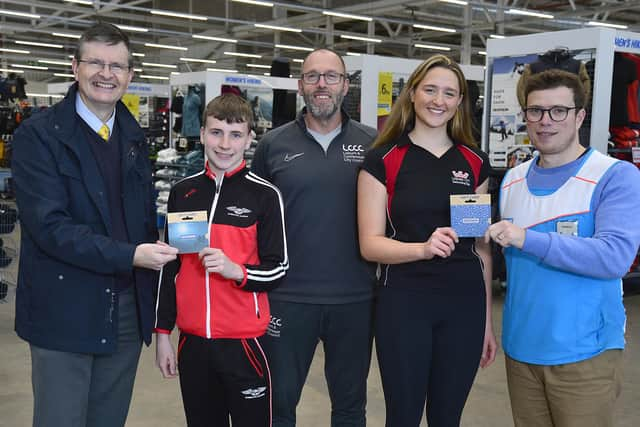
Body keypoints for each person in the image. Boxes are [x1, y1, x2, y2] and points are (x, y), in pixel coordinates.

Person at [11, 23, 178, 427]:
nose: (107, 74)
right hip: (63, 309)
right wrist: (132, 255)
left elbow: (140, 225)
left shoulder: (133, 137)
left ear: (131, 75)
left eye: (117, 66)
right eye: (96, 63)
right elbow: (50, 228)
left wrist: (158, 320)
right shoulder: (38, 136)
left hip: (122, 310)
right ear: (75, 67)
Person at [486, 69, 640, 427]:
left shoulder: (614, 176)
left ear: (579, 115)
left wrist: (527, 238)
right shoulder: (513, 179)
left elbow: (614, 257)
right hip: (522, 350)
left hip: (584, 354)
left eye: (559, 111)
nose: (546, 121)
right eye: (536, 111)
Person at [357, 54, 497, 427]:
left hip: (464, 305)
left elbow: (479, 247)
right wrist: (422, 249)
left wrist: (486, 323)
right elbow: (369, 244)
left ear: (459, 102)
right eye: (431, 90)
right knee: (403, 416)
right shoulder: (383, 159)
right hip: (404, 303)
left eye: (450, 93)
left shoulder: (474, 162)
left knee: (447, 417)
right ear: (413, 94)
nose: (439, 100)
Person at [251, 48, 377, 426]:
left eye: (331, 76)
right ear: (300, 84)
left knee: (351, 407)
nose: (322, 84)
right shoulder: (273, 145)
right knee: (277, 405)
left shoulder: (374, 144)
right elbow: (255, 221)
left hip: (355, 299)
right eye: (313, 76)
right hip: (287, 298)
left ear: (345, 84)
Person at [154, 94, 287, 426]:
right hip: (193, 344)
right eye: (216, 133)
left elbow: (279, 267)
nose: (224, 144)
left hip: (245, 344)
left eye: (235, 134)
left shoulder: (264, 195)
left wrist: (235, 270)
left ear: (249, 139)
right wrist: (162, 335)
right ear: (201, 134)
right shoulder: (184, 193)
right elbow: (171, 268)